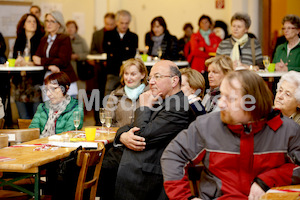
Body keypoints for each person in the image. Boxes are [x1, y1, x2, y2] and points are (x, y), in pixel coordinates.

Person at [161, 70, 300, 200]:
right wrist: (186, 198)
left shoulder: (287, 129)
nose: (221, 104)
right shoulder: (207, 125)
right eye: (222, 95)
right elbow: (172, 156)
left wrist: (266, 180)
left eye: (229, 98)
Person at [104, 60, 195, 200]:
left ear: (174, 80)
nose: (151, 82)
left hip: (145, 169)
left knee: (79, 171)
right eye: (150, 77)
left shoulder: (179, 106)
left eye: (157, 77)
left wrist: (143, 107)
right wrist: (122, 136)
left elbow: (142, 134)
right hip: (130, 159)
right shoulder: (162, 100)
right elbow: (130, 126)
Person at [33, 10, 78, 100]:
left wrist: (42, 61)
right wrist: (49, 66)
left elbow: (63, 61)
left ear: (59, 24)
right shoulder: (44, 39)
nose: (48, 24)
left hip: (64, 79)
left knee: (67, 112)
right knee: (50, 112)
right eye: (47, 21)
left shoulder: (64, 38)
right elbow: (36, 59)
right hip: (49, 80)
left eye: (52, 21)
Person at [29, 72, 83, 137]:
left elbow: (68, 134)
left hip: (62, 145)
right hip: (41, 144)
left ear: (66, 88)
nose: (48, 94)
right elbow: (32, 131)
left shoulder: (75, 107)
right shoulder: (42, 107)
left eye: (54, 88)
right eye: (47, 90)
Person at [12, 13, 44, 119]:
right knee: (23, 117)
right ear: (23, 25)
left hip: (36, 82)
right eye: (29, 21)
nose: (32, 24)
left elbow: (42, 60)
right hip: (20, 81)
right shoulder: (19, 40)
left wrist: (27, 63)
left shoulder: (41, 40)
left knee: (36, 117)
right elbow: (14, 59)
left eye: (34, 22)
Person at [103, 10, 138, 96]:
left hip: (127, 72)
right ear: (116, 22)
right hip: (112, 71)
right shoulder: (108, 35)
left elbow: (131, 54)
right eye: (122, 23)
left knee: (127, 95)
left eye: (126, 23)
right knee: (108, 94)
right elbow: (106, 50)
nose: (124, 26)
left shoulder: (133, 37)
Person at [105, 58, 148, 127]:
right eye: (126, 74)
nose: (128, 78)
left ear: (143, 75)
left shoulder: (150, 94)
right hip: (120, 136)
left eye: (133, 74)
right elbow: (108, 123)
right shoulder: (115, 95)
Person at [66, 20, 89, 91]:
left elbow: (87, 53)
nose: (70, 29)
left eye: (72, 27)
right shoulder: (63, 40)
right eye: (68, 27)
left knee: (81, 89)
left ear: (76, 28)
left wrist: (78, 56)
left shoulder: (81, 40)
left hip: (79, 69)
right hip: (68, 68)